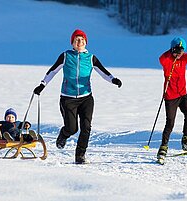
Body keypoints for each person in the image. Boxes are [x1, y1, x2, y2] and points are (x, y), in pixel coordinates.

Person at [33, 29, 122, 164]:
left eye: (82, 40)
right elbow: (52, 71)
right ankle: (64, 134)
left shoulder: (91, 58)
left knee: (86, 127)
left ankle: (80, 155)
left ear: (86, 42)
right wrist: (42, 85)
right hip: (67, 98)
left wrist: (113, 80)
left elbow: (103, 72)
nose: (79, 42)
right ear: (72, 43)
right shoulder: (65, 56)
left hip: (86, 98)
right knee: (72, 128)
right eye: (76, 40)